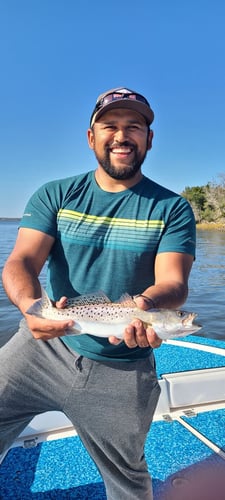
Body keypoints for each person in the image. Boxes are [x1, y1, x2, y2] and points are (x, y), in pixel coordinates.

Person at [0, 87, 196, 500]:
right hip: (41, 347)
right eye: (110, 126)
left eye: (134, 127)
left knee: (128, 481)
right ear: (92, 137)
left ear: (149, 138)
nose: (122, 136)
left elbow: (174, 283)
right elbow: (21, 262)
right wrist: (31, 307)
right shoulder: (55, 194)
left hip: (122, 366)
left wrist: (148, 305)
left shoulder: (172, 208)